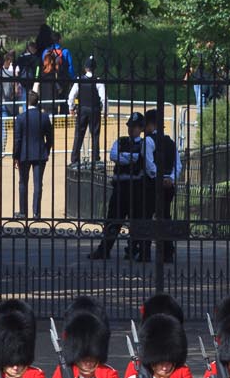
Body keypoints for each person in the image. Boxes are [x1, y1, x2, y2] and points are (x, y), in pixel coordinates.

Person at [90, 112, 147, 260]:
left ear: (141, 128)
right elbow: (113, 156)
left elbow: (140, 158)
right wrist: (132, 158)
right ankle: (104, 250)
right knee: (113, 220)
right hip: (120, 186)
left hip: (135, 186)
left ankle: (137, 251)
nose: (131, 129)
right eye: (130, 126)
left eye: (135, 127)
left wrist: (126, 157)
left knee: (137, 221)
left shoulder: (144, 144)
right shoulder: (120, 141)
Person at [12, 92, 54, 218]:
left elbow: (17, 140)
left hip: (24, 154)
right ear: (37, 102)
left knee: (23, 183)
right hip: (40, 153)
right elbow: (50, 138)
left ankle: (23, 212)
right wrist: (46, 150)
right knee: (38, 184)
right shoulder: (44, 117)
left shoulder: (20, 118)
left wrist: (15, 156)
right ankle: (36, 212)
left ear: (27, 102)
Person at [144, 107, 178, 262]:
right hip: (168, 184)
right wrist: (170, 178)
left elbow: (149, 164)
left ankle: (144, 251)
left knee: (147, 216)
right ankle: (167, 251)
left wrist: (158, 179)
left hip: (152, 184)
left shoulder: (149, 140)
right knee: (165, 216)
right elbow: (178, 165)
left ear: (151, 125)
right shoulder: (170, 142)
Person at [68, 56, 105, 161]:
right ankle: (95, 159)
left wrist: (71, 107)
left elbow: (71, 96)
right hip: (94, 110)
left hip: (82, 110)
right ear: (95, 68)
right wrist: (106, 111)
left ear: (85, 68)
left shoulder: (79, 80)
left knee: (78, 135)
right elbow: (103, 99)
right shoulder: (98, 81)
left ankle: (75, 159)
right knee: (95, 135)